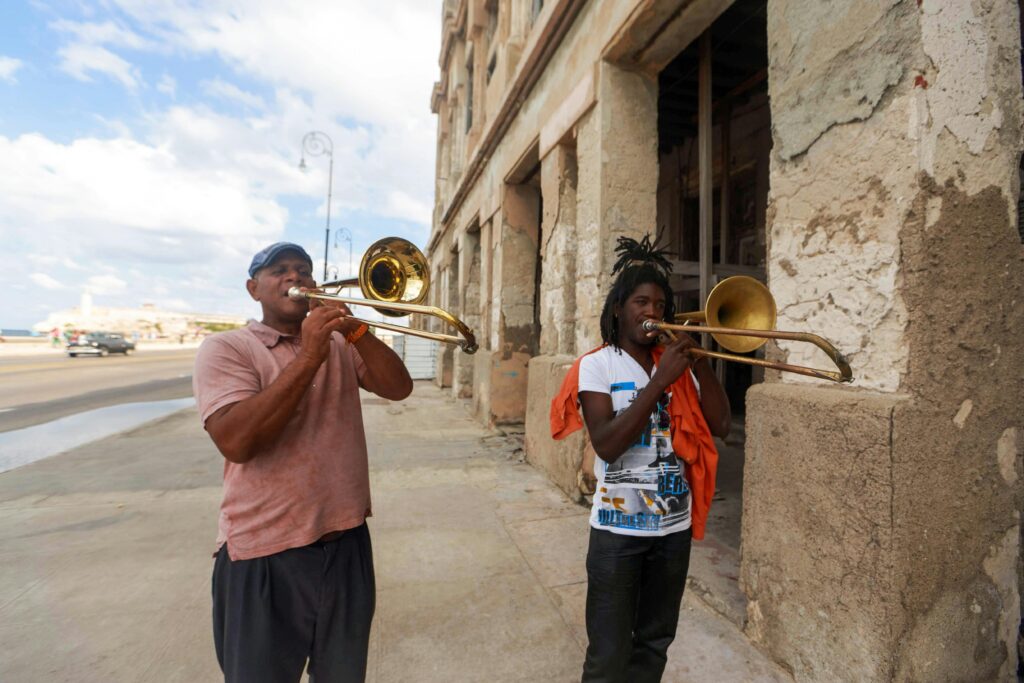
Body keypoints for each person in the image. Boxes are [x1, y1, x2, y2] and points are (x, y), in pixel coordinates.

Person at [192, 241, 412, 683]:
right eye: (279, 271)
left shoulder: (340, 343)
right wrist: (311, 353)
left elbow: (399, 387)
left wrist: (358, 332)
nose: (295, 278)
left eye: (304, 271)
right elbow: (237, 441)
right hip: (263, 552)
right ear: (254, 289)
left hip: (346, 542)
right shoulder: (225, 348)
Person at [550, 234, 731, 683]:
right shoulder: (598, 365)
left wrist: (700, 363)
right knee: (608, 656)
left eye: (659, 304)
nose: (651, 312)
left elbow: (721, 425)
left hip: (672, 532)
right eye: (640, 302)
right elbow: (608, 444)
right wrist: (658, 383)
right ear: (618, 309)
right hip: (617, 534)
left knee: (653, 646)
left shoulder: (678, 365)